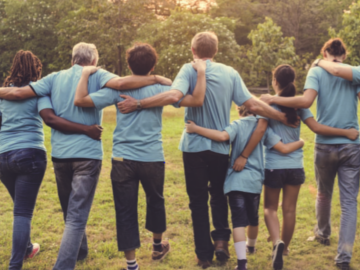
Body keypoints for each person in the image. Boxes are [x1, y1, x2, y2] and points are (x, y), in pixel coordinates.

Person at [116, 32, 296, 269]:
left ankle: (203, 255)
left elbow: (173, 95)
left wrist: (138, 103)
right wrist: (281, 116)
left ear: (193, 50)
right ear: (216, 51)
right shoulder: (229, 72)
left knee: (198, 201)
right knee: (219, 196)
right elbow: (251, 104)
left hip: (193, 147)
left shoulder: (188, 69)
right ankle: (221, 241)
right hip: (220, 146)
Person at [0, 42, 172, 270]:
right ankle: (63, 266)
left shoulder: (53, 78)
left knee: (68, 209)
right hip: (87, 154)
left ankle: (80, 251)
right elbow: (121, 83)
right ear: (93, 61)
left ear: (72, 59)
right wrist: (157, 79)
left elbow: (18, 92)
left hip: (60, 156)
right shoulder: (98, 74)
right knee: (76, 215)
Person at [73, 43, 206, 270]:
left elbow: (83, 100)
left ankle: (131, 263)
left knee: (125, 208)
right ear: (153, 64)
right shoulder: (164, 88)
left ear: (128, 65)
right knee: (156, 200)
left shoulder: (117, 89)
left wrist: (84, 76)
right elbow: (193, 99)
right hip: (152, 157)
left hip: (123, 158)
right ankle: (156, 246)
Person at [239, 64, 357, 270]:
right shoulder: (299, 106)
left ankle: (277, 242)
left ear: (275, 81)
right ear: (293, 82)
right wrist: (346, 133)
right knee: (290, 210)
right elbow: (316, 127)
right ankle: (284, 250)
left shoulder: (268, 104)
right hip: (295, 167)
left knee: (269, 208)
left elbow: (259, 129)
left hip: (274, 166)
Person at [0, 50, 105, 270]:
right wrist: (86, 128)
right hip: (29, 154)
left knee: (19, 208)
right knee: (22, 212)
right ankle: (15, 265)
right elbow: (49, 118)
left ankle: (28, 247)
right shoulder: (39, 91)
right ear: (36, 70)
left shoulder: (3, 94)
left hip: (3, 156)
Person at [185, 105, 305, 270]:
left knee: (238, 222)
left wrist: (195, 128)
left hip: (235, 181)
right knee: (253, 218)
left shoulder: (237, 125)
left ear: (239, 111)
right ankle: (251, 247)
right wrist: (301, 142)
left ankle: (242, 263)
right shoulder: (264, 128)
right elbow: (283, 148)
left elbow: (221, 136)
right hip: (254, 182)